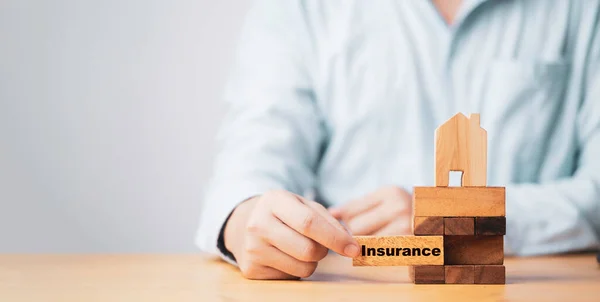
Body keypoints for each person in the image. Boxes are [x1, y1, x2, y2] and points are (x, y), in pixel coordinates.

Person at [196, 0, 600, 280]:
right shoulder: (299, 9)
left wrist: (458, 219)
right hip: (351, 282)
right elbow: (250, 159)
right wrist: (246, 219)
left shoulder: (582, 10)